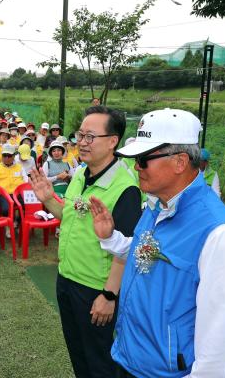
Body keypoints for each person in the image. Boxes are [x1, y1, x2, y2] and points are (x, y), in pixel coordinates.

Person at [89, 109, 225, 378]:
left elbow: (217, 349)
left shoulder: (219, 234)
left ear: (180, 162)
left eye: (143, 159)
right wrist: (111, 238)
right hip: (129, 359)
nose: (136, 166)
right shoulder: (156, 204)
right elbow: (148, 253)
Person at [29, 106, 142, 378]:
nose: (81, 142)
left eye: (90, 136)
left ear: (113, 141)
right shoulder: (80, 173)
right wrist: (47, 199)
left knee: (101, 361)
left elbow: (126, 249)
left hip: (96, 289)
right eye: (80, 134)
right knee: (78, 352)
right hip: (67, 278)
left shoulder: (125, 188)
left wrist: (109, 295)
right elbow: (69, 217)